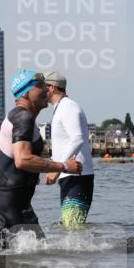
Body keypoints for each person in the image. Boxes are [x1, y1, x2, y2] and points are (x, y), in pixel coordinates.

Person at [0, 70, 81, 255]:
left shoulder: (15, 116)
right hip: (8, 205)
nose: (46, 90)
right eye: (40, 86)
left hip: (15, 203)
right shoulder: (23, 118)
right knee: (20, 255)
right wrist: (63, 166)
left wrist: (24, 173)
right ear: (25, 93)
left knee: (38, 250)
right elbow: (22, 159)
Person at [43, 72, 94, 229]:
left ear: (51, 88)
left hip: (78, 175)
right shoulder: (61, 108)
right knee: (70, 227)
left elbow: (77, 138)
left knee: (73, 228)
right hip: (69, 175)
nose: (38, 91)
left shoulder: (68, 107)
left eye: (41, 87)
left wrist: (58, 168)